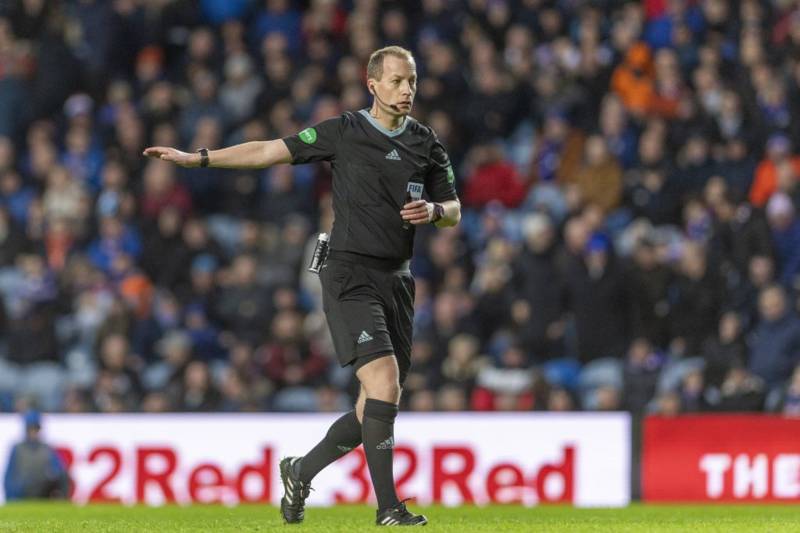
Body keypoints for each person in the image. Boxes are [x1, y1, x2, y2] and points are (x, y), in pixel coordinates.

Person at [143, 45, 461, 526]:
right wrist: (199, 158)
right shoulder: (346, 130)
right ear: (371, 84)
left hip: (398, 278)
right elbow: (269, 150)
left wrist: (435, 212)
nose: (407, 90)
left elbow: (453, 209)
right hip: (349, 272)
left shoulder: (425, 141)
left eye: (411, 80)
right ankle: (389, 508)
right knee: (383, 381)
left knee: (377, 404)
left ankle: (300, 470)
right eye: (396, 81)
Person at [3, 410, 69, 501]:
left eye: (35, 429)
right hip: (25, 489)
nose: (33, 432)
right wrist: (11, 496)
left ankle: (62, 501)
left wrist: (53, 475)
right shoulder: (17, 449)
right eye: (31, 429)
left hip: (43, 486)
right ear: (26, 430)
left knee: (63, 476)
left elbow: (58, 469)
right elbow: (9, 475)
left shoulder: (47, 448)